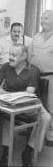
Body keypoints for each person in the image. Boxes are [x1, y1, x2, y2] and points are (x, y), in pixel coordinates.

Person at [0, 44, 51, 167]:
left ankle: (29, 150)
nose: (10, 58)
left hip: (29, 103)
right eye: (9, 54)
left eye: (14, 55)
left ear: (24, 56)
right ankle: (6, 153)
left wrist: (4, 92)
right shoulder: (6, 67)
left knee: (46, 118)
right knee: (6, 115)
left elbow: (28, 94)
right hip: (9, 103)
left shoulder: (33, 70)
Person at [29, 10, 53, 146]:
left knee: (51, 107)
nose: (43, 21)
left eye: (46, 18)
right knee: (36, 105)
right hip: (35, 77)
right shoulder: (36, 36)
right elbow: (29, 56)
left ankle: (50, 136)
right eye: (42, 18)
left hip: (51, 77)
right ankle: (33, 131)